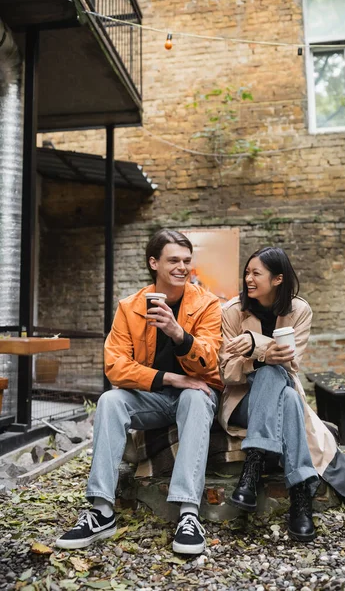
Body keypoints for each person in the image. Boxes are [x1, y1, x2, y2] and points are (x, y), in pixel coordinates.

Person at [56, 230, 223, 554]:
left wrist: (178, 333)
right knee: (110, 400)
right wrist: (171, 379)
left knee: (194, 394)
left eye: (187, 261)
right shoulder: (130, 308)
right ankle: (102, 510)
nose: (182, 267)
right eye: (173, 260)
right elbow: (114, 367)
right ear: (153, 263)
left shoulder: (206, 304)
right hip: (156, 397)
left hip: (195, 396)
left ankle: (188, 513)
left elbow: (209, 360)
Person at [218, 247, 345, 543]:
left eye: (256, 274)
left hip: (283, 392)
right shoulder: (231, 312)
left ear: (278, 279)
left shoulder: (299, 311)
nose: (248, 279)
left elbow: (291, 362)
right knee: (269, 371)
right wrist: (262, 354)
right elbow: (226, 372)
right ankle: (299, 496)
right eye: (247, 273)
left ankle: (255, 468)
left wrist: (254, 344)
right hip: (242, 403)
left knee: (282, 386)